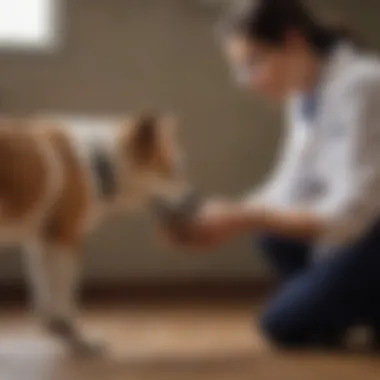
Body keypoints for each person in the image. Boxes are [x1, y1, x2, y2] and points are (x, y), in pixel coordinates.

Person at [163, 0, 380, 349]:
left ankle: (346, 308)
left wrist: (244, 216)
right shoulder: (305, 93)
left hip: (370, 231)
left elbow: (351, 215)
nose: (246, 81)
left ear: (293, 42)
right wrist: (222, 215)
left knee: (280, 323)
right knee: (269, 233)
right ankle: (346, 309)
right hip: (360, 233)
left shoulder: (366, 86)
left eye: (253, 62)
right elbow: (287, 186)